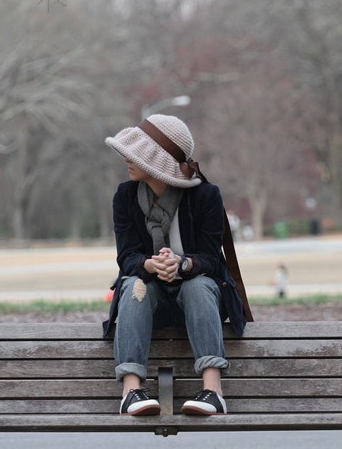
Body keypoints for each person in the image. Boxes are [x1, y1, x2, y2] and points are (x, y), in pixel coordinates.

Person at [102, 114, 247, 417]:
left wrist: (182, 265)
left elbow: (210, 259)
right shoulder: (125, 196)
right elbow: (127, 257)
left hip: (198, 298)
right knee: (134, 284)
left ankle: (213, 391)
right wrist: (151, 266)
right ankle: (131, 392)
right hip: (148, 296)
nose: (126, 159)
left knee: (199, 283)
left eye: (135, 154)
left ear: (158, 161)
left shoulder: (206, 196)